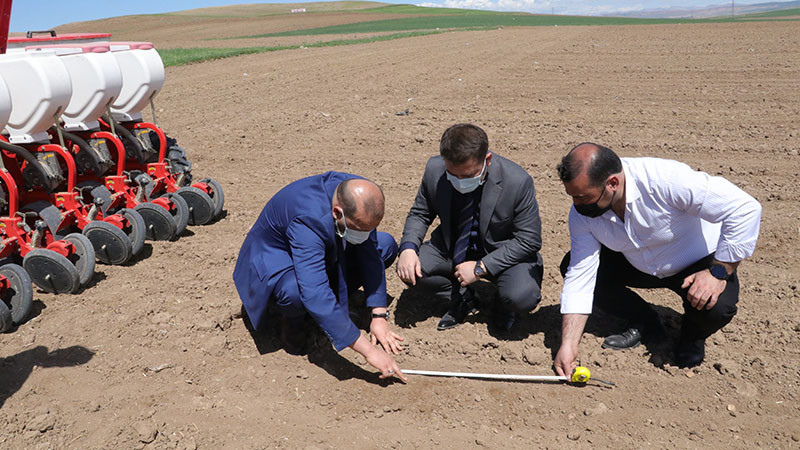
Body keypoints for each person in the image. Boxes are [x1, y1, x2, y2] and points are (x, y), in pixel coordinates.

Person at [553, 143, 762, 375]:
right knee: (571, 264)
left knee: (717, 308)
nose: (577, 206)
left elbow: (744, 209)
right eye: (572, 196)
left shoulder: (666, 180)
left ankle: (692, 335)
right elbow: (581, 276)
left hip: (694, 263)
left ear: (613, 183)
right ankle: (645, 320)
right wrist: (569, 344)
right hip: (637, 261)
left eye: (583, 197)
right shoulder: (584, 212)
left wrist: (718, 273)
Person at [233, 172, 407, 382]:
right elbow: (314, 292)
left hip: (322, 251)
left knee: (385, 245)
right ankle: (292, 324)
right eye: (359, 229)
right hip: (276, 261)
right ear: (337, 212)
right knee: (295, 293)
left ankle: (329, 311)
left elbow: (368, 251)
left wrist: (379, 316)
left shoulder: (358, 194)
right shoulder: (308, 219)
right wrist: (369, 351)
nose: (364, 233)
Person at [396, 123, 543, 332]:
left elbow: (529, 240)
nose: (459, 181)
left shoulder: (517, 182)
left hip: (500, 253)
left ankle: (502, 305)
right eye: (452, 174)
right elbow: (421, 213)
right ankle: (462, 298)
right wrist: (408, 248)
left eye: (468, 175)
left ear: (487, 160)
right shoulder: (434, 170)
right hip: (451, 248)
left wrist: (480, 267)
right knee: (410, 269)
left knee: (522, 296)